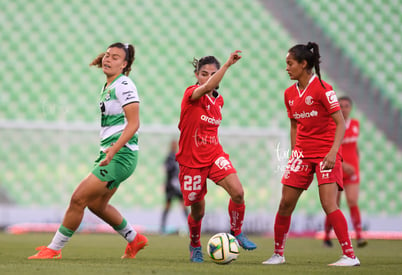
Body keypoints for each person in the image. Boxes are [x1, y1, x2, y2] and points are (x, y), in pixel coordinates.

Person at [28, 42, 148, 259]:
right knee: (96, 204)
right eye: (107, 55)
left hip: (121, 156)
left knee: (78, 199)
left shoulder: (124, 85)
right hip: (112, 154)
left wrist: (112, 152)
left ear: (125, 64)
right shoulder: (110, 84)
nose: (108, 59)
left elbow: (134, 124)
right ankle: (135, 239)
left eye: (115, 57)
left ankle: (54, 249)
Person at [262, 42, 360, 266]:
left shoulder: (324, 89)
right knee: (285, 203)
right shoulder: (289, 94)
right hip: (302, 154)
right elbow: (294, 125)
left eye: (290, 64)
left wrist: (334, 152)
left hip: (326, 153)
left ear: (303, 64)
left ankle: (350, 256)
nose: (286, 68)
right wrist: (294, 151)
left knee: (328, 204)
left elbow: (341, 123)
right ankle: (278, 254)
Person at [176, 51, 257, 263]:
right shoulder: (191, 94)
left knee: (238, 192)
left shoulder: (218, 101)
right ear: (196, 75)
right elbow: (206, 87)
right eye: (204, 74)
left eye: (213, 73)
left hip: (214, 155)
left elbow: (212, 90)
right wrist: (227, 65)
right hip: (191, 161)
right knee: (198, 210)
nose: (209, 78)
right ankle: (194, 245)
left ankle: (236, 231)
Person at [323, 96, 367, 248]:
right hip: (338, 166)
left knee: (353, 201)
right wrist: (343, 163)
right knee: (334, 203)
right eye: (340, 105)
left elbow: (354, 146)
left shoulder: (355, 124)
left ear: (351, 108)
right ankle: (327, 236)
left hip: (352, 169)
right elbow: (330, 147)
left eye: (347, 105)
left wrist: (356, 160)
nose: (343, 108)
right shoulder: (334, 124)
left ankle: (360, 236)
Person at [160, 139, 188, 234]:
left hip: (178, 185)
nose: (174, 146)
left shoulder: (179, 157)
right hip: (170, 186)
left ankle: (190, 227)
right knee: (168, 206)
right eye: (173, 145)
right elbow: (165, 169)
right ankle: (162, 227)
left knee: (183, 205)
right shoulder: (169, 157)